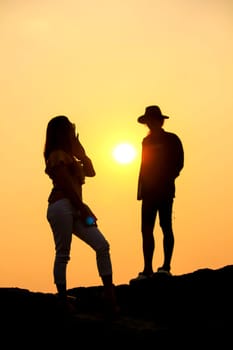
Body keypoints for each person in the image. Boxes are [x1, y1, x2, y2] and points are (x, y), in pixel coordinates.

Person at [44, 115, 117, 315]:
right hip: (62, 206)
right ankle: (62, 299)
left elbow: (92, 172)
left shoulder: (71, 156)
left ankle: (109, 295)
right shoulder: (56, 154)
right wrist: (83, 207)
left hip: (75, 207)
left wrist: (81, 152)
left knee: (102, 245)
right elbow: (65, 184)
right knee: (63, 253)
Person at [131, 105, 184, 281]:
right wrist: (141, 188)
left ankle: (166, 266)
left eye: (152, 120)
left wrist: (166, 178)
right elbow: (143, 166)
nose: (150, 124)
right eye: (148, 121)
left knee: (165, 226)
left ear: (159, 121)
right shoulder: (146, 142)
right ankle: (147, 268)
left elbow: (179, 163)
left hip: (165, 190)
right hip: (148, 192)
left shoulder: (171, 139)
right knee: (146, 229)